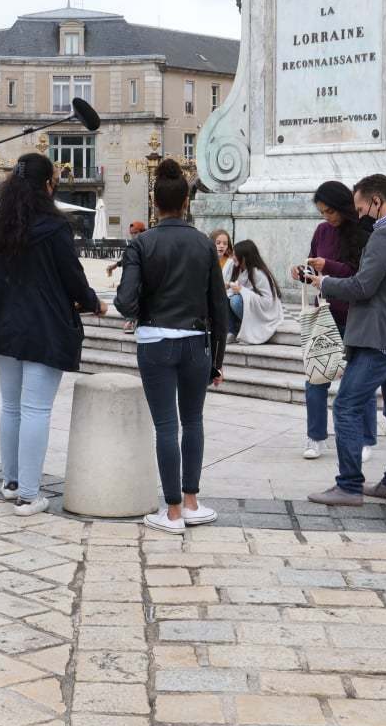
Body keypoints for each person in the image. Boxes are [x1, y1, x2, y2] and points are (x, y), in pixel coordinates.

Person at [0, 153, 103, 516]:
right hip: (43, 325)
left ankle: (12, 481)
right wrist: (93, 302)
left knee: (11, 406)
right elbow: (73, 277)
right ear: (48, 185)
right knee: (35, 408)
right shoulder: (54, 226)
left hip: (3, 323)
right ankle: (30, 495)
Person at [115, 160, 230, 534]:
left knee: (166, 425)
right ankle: (192, 501)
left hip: (156, 340)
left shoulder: (142, 243)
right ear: (186, 203)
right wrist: (217, 359)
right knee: (193, 421)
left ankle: (173, 511)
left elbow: (126, 302)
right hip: (197, 342)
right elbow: (219, 308)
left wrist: (141, 304)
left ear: (156, 202)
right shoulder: (203, 244)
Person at [307, 174, 386, 507]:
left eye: (361, 208)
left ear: (377, 200)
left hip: (379, 337)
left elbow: (363, 287)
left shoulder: (384, 235)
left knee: (345, 405)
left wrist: (324, 283)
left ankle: (348, 484)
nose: (358, 215)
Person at [293, 181, 376, 460]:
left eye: (330, 211)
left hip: (354, 315)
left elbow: (358, 273)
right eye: (322, 212)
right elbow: (313, 267)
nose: (327, 217)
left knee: (358, 379)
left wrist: (326, 267)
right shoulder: (322, 231)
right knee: (316, 376)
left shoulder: (362, 233)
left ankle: (366, 439)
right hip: (324, 312)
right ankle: (316, 436)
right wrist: (302, 271)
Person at [232, 239, 284, 345]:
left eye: (235, 255)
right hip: (252, 308)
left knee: (235, 301)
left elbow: (267, 302)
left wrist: (242, 290)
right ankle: (233, 331)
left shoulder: (259, 273)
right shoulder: (239, 270)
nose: (233, 258)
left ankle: (252, 329)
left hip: (265, 313)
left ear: (244, 258)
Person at [107, 221, 148, 333]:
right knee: (120, 300)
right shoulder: (134, 246)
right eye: (131, 233)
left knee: (130, 297)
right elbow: (127, 259)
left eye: (135, 233)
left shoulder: (146, 244)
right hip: (133, 281)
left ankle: (133, 320)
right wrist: (115, 265)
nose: (133, 236)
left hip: (142, 282)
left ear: (142, 232)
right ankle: (132, 319)